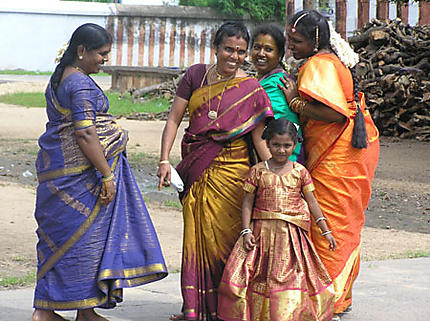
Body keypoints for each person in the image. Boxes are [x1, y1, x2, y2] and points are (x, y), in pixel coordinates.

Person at [32, 23, 167, 321]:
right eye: (102, 54)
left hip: (57, 174)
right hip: (80, 177)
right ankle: (62, 312)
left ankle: (67, 310)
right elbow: (85, 134)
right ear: (81, 51)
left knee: (61, 242)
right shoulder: (79, 84)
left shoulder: (59, 77)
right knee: (84, 240)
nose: (105, 59)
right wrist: (107, 175)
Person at [157, 22, 274, 321]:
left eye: (240, 52)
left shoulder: (251, 88)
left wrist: (275, 173)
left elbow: (258, 136)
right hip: (196, 168)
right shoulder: (196, 75)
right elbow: (173, 119)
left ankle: (229, 307)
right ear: (215, 47)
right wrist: (164, 160)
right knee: (197, 239)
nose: (234, 57)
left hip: (234, 173)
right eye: (228, 49)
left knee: (229, 241)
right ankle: (194, 307)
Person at [279, 10, 380, 320]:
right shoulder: (333, 61)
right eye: (289, 40)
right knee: (345, 222)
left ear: (315, 41)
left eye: (296, 41)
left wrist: (295, 102)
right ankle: (341, 295)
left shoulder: (318, 65)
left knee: (330, 223)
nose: (290, 47)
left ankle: (329, 300)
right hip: (354, 147)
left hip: (340, 153)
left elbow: (336, 115)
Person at [217, 118, 336, 321]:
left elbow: (313, 203)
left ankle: (289, 314)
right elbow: (247, 203)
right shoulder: (257, 171)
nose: (281, 150)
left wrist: (325, 230)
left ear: (295, 145)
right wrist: (245, 231)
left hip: (291, 238)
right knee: (255, 276)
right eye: (276, 145)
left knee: (292, 276)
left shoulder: (300, 172)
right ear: (267, 143)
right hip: (260, 234)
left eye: (287, 146)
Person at [250, 23, 303, 162]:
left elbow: (271, 126)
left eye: (268, 49)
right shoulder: (264, 79)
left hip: (283, 160)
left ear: (279, 55)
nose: (261, 53)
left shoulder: (277, 83)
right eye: (257, 47)